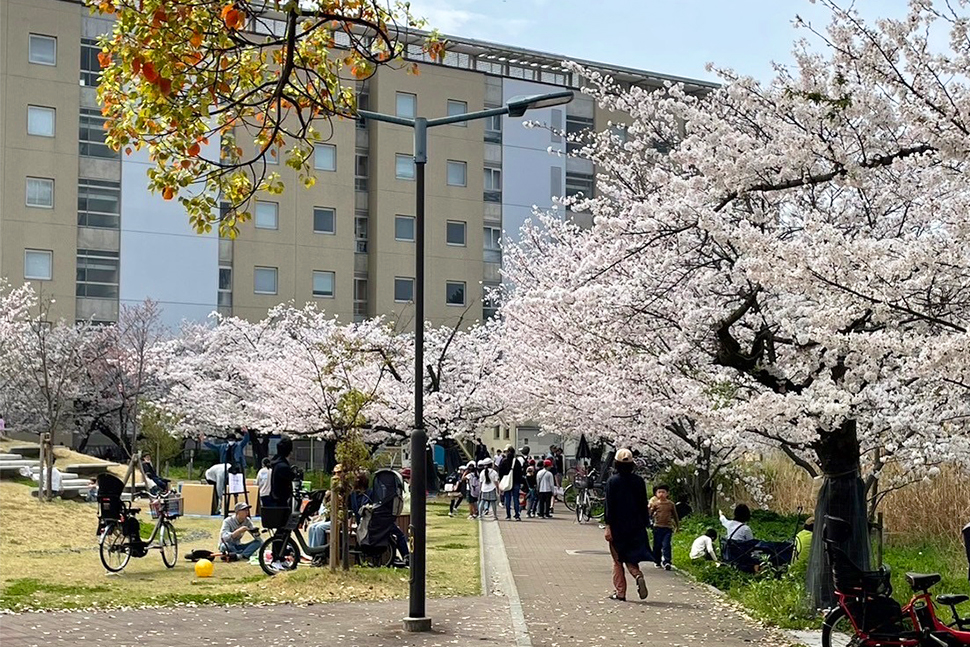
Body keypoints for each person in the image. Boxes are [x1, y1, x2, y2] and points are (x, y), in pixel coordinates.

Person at [603, 448, 651, 601]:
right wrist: (645, 523)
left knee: (617, 560)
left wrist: (608, 526)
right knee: (631, 556)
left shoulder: (612, 481)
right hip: (636, 526)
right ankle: (637, 574)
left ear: (616, 463)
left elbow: (609, 506)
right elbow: (644, 504)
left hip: (618, 526)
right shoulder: (639, 481)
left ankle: (620, 592)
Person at [649, 483, 679, 570]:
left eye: (663, 492)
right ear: (656, 494)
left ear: (667, 493)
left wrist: (677, 526)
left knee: (666, 545)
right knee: (657, 545)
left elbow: (675, 515)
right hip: (657, 527)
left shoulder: (671, 504)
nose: (661, 494)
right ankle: (657, 561)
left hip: (668, 527)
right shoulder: (655, 504)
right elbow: (650, 514)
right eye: (659, 492)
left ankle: (667, 561)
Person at [499, 445, 524, 521]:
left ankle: (508, 515)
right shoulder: (516, 461)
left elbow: (500, 472)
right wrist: (520, 482)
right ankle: (517, 515)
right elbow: (520, 473)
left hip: (507, 482)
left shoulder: (504, 461)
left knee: (507, 499)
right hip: (516, 482)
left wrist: (502, 480)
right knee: (516, 499)